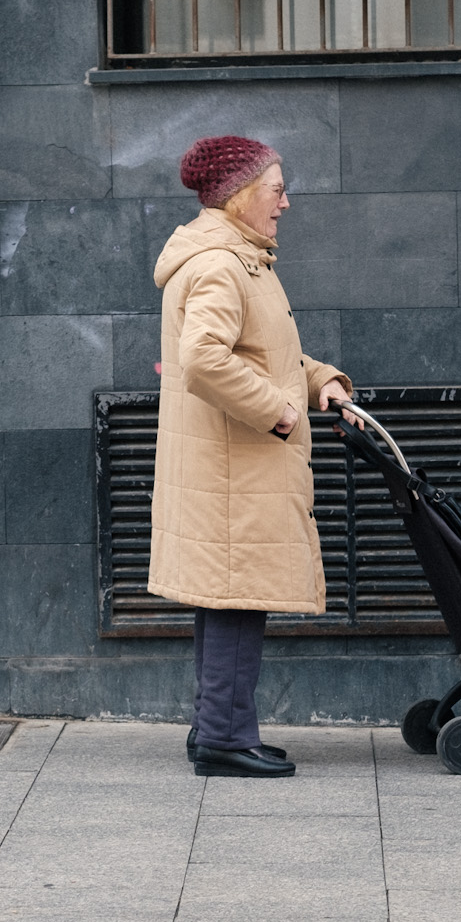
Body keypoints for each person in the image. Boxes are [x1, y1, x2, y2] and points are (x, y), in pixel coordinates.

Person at [149, 136, 361, 778]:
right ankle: (223, 738)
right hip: (234, 470)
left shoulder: (241, 259)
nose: (285, 202)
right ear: (241, 196)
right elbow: (203, 360)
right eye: (276, 189)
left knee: (229, 600)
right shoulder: (222, 265)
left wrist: (321, 382)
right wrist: (279, 411)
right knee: (237, 600)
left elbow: (268, 353)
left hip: (232, 469)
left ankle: (218, 729)